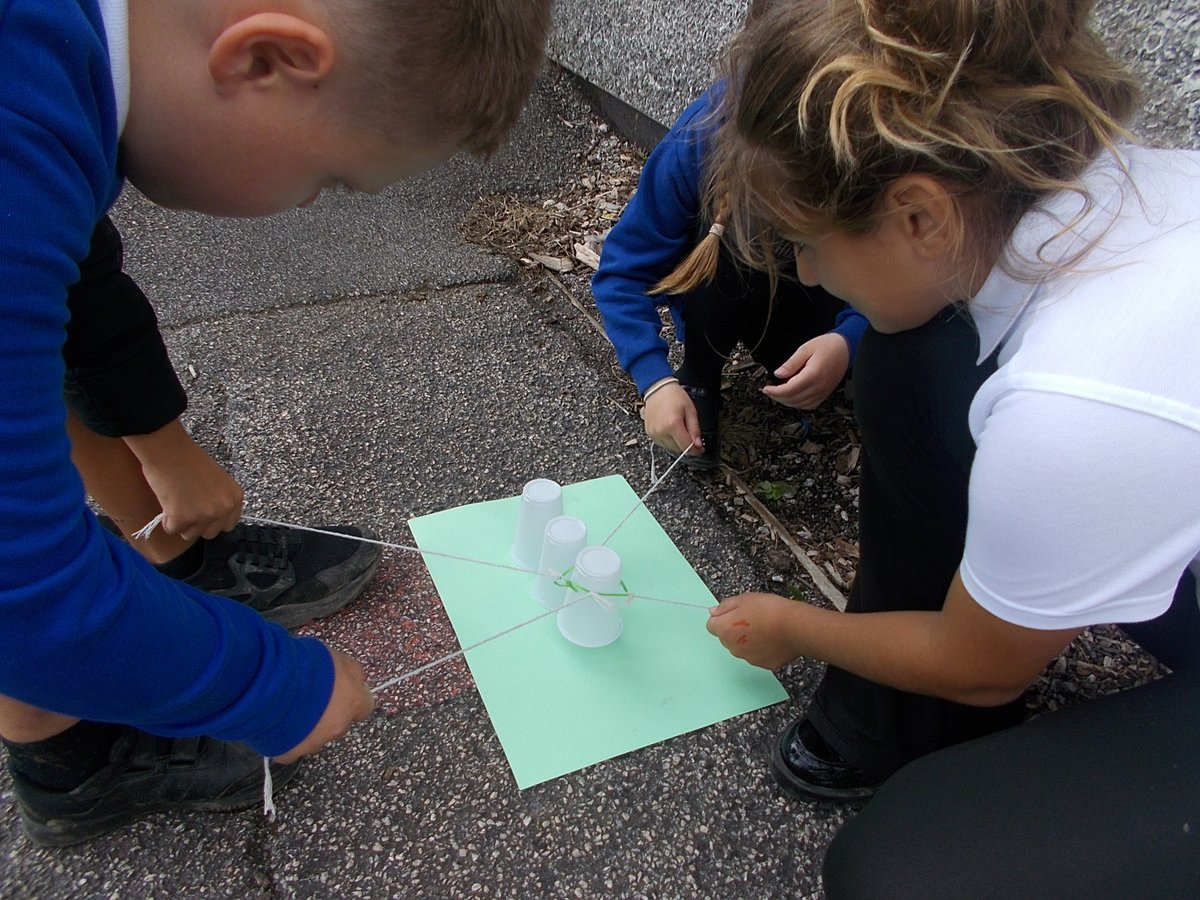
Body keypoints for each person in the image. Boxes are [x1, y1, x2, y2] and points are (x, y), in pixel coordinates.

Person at [0, 0, 551, 846]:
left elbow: (78, 282)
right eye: (328, 181)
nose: (309, 206)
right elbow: (20, 591)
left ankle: (165, 578)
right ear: (264, 60)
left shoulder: (54, 66)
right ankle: (69, 761)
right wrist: (265, 687)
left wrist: (163, 446)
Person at [703, 0, 1200, 895]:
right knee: (909, 356)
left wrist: (795, 628)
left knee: (898, 872)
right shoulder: (1142, 187)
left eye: (809, 245)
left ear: (922, 216)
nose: (807, 274)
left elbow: (982, 668)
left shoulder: (1071, 410)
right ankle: (901, 720)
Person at [65, 214, 382, 629]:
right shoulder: (35, 188)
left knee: (32, 349)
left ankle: (127, 539)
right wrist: (167, 456)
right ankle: (185, 564)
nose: (308, 201)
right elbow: (83, 306)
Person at [593, 0, 868, 469]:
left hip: (831, 306)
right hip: (736, 291)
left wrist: (850, 338)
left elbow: (921, 281)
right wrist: (656, 380)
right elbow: (621, 272)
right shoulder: (699, 139)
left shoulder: (872, 144)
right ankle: (700, 374)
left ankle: (830, 365)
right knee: (728, 238)